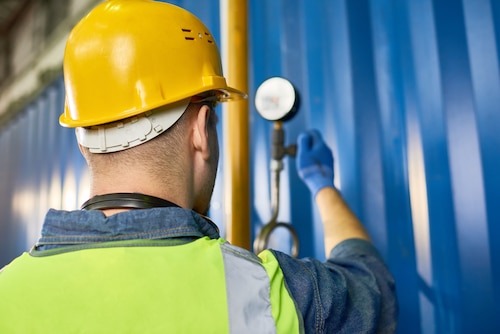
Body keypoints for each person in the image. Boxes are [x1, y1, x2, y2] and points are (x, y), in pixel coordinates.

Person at [0, 0, 397, 333]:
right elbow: (372, 290)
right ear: (202, 132)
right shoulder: (269, 295)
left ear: (82, 138)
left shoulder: (7, 293)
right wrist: (322, 186)